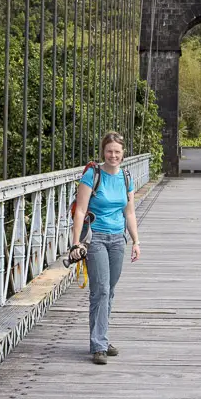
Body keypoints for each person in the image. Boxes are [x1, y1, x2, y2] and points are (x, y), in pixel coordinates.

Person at [69, 132, 141, 365]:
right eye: (109, 151)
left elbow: (129, 212)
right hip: (96, 238)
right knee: (99, 290)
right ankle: (99, 345)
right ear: (103, 152)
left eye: (117, 152)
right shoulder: (92, 175)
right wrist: (76, 243)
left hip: (118, 239)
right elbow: (80, 210)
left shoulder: (126, 177)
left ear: (123, 154)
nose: (113, 155)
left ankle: (101, 337)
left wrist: (136, 241)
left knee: (109, 291)